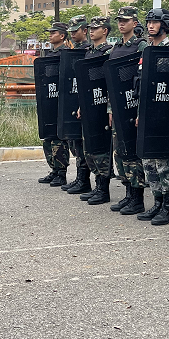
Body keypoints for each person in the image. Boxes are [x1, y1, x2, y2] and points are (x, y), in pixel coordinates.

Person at [137, 8, 169, 226]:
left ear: (165, 25)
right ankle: (156, 202)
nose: (150, 26)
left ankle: (168, 207)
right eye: (149, 22)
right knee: (149, 162)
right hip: (147, 112)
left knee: (165, 164)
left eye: (155, 22)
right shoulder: (146, 50)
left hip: (165, 112)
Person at [107, 6, 148, 215]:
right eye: (119, 20)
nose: (121, 24)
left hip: (133, 105)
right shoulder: (116, 47)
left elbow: (144, 79)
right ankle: (128, 193)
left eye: (125, 20)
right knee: (120, 151)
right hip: (118, 106)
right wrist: (110, 108)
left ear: (134, 23)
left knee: (133, 152)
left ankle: (137, 197)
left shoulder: (141, 45)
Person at [78, 16, 113, 205]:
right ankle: (97, 185)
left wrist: (109, 108)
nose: (91, 31)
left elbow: (110, 84)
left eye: (96, 28)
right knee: (89, 148)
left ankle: (103, 188)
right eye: (90, 28)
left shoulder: (108, 52)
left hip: (102, 106)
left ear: (105, 31)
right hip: (89, 104)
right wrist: (80, 105)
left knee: (101, 148)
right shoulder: (89, 52)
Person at [60, 15, 92, 195]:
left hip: (84, 101)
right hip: (73, 99)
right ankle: (80, 177)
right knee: (75, 143)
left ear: (84, 31)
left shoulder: (87, 50)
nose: (72, 34)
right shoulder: (73, 50)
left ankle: (84, 179)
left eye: (76, 31)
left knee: (82, 143)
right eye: (70, 31)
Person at [39, 21, 71, 187]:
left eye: (53, 33)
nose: (50, 35)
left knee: (59, 138)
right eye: (50, 32)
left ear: (62, 35)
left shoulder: (65, 53)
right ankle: (54, 170)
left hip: (61, 100)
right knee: (48, 136)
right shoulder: (50, 53)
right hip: (49, 99)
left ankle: (61, 172)